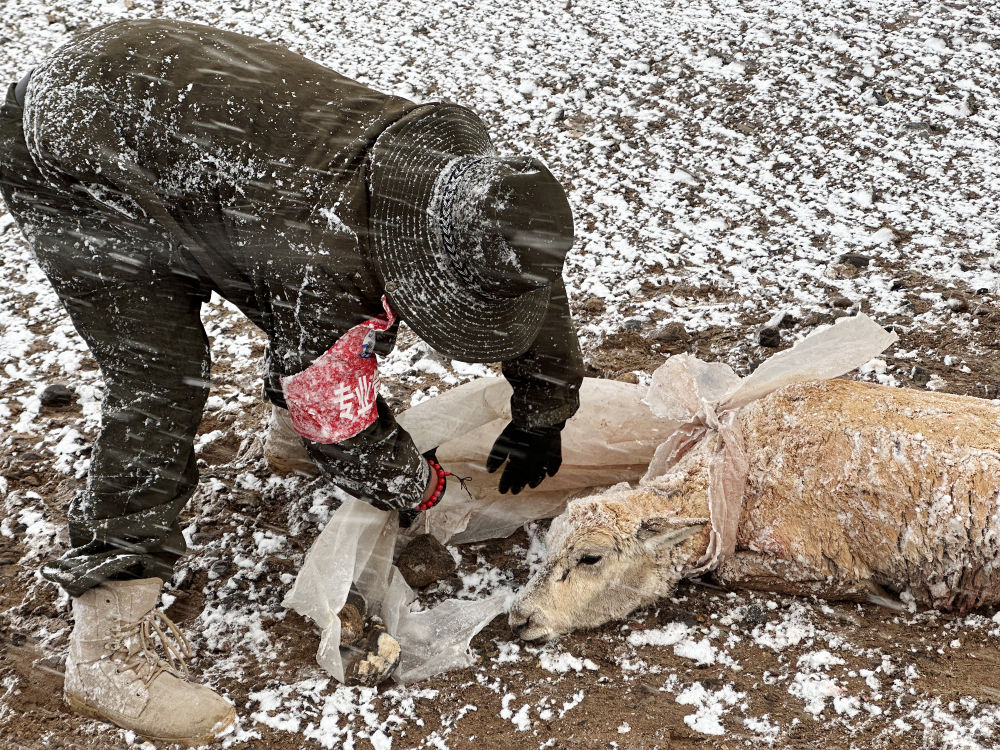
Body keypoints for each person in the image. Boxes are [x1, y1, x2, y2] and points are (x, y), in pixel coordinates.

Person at [0, 18, 583, 745]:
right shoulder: (328, 248)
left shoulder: (459, 189)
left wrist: (546, 405)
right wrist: (424, 490)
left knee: (314, 290)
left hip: (179, 115)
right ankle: (108, 649)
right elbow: (337, 409)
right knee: (160, 378)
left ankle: (286, 439)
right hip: (74, 153)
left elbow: (526, 276)